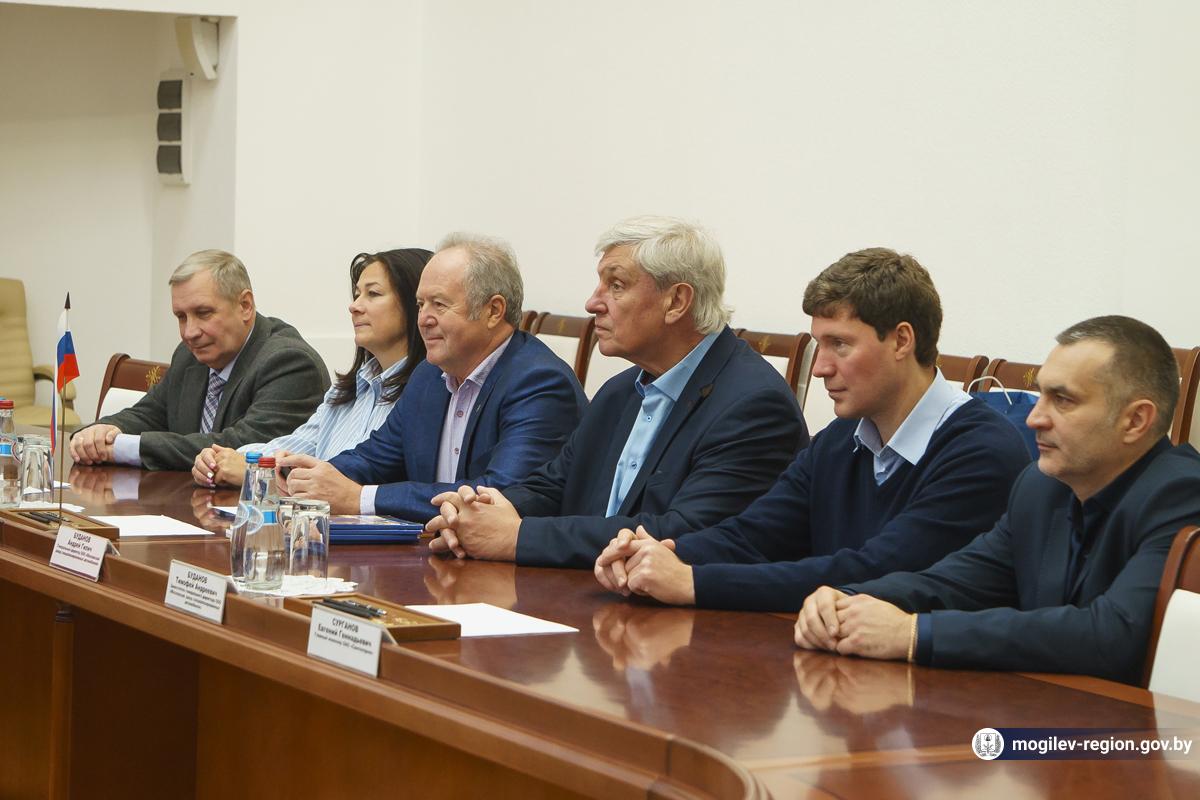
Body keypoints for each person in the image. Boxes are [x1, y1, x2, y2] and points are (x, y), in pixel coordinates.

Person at [594, 247, 1030, 610]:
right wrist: (655, 554)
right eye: (819, 344)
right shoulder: (840, 439)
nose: (819, 367)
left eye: (840, 344)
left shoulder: (980, 450)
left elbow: (876, 571)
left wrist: (693, 582)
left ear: (902, 340)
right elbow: (753, 536)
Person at [795, 315, 1200, 685]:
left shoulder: (1182, 494)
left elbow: (1112, 636)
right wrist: (848, 600)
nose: (1034, 418)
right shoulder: (1040, 487)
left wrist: (914, 634)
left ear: (1135, 420)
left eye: (1063, 400)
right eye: (1041, 396)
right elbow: (954, 582)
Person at [424, 215, 808, 565]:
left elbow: (683, 533)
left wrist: (516, 537)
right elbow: (554, 485)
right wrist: (478, 509)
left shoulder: (754, 405)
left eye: (616, 285)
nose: (593, 303)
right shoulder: (620, 391)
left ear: (676, 301)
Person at [278, 233, 587, 520]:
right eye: (420, 304)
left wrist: (361, 498)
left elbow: (499, 496)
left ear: (493, 311)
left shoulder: (539, 383)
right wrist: (311, 477)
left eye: (438, 304)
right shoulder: (429, 375)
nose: (423, 319)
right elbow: (374, 458)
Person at [190, 248, 431, 488]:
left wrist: (253, 470)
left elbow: (353, 478)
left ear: (415, 304)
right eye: (357, 295)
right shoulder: (347, 391)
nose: (355, 306)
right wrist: (223, 459)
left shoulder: (426, 393)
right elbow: (299, 443)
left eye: (373, 294)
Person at [70, 249, 328, 471]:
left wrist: (124, 447)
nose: (189, 332)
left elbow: (239, 449)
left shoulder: (289, 363)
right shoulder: (189, 355)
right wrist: (102, 431)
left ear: (245, 306)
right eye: (181, 317)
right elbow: (150, 414)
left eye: (203, 313)